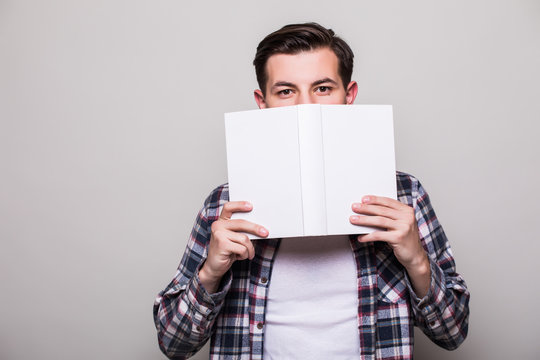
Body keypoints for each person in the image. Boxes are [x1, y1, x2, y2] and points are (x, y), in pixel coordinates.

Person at [153, 22, 470, 359]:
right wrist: (210, 273)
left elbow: (452, 334)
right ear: (263, 102)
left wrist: (417, 261)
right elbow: (174, 345)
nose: (305, 106)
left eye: (322, 88)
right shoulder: (225, 205)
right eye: (286, 91)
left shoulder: (405, 195)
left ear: (349, 96)